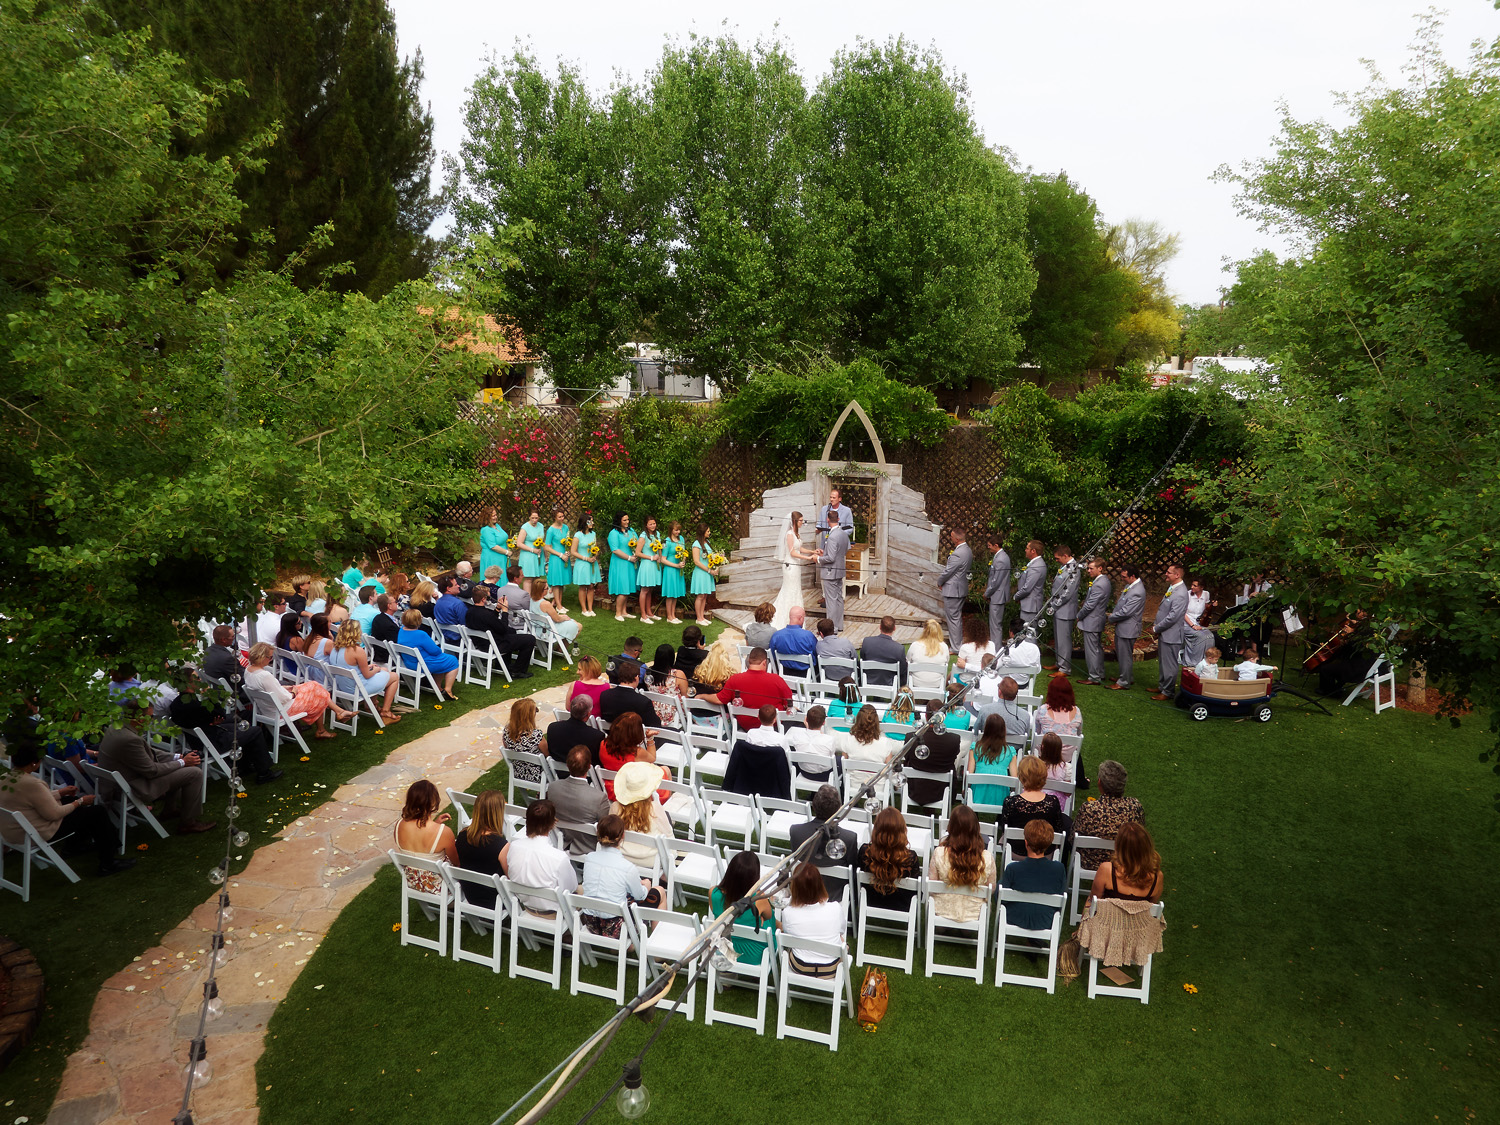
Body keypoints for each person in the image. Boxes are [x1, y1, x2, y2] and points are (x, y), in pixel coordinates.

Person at [1, 743, 135, 875]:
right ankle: (108, 863)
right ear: (33, 763)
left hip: (14, 830)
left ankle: (73, 846)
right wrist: (80, 801)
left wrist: (61, 793)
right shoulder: (33, 783)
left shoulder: (6, 778)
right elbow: (54, 814)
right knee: (97, 812)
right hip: (34, 831)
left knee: (70, 801)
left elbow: (32, 800)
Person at [96, 704, 218, 833]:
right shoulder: (129, 739)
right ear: (140, 718)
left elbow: (146, 752)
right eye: (151, 716)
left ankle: (169, 810)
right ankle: (188, 823)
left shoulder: (117, 728)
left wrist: (178, 757)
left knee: (178, 767)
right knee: (194, 773)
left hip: (122, 781)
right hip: (132, 787)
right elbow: (152, 771)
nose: (152, 719)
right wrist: (183, 762)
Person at [169, 668, 282, 784]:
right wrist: (209, 694)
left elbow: (205, 719)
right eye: (197, 678)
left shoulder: (175, 704)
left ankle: (243, 766)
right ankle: (264, 773)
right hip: (215, 741)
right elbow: (220, 713)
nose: (200, 680)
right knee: (255, 731)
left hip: (198, 741)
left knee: (239, 724)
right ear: (188, 683)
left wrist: (209, 721)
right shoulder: (196, 705)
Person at [245, 642, 353, 739]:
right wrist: (293, 693)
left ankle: (337, 714)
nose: (270, 660)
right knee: (317, 693)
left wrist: (283, 688)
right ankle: (326, 725)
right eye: (270, 658)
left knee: (315, 686)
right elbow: (284, 698)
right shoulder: (264, 675)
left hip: (268, 708)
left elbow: (268, 690)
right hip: (281, 709)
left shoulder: (248, 671)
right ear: (261, 657)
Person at [580, 813, 664, 937]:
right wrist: (647, 886)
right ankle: (658, 942)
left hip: (590, 922)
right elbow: (639, 896)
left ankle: (626, 946)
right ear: (623, 836)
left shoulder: (589, 858)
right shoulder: (627, 868)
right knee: (659, 891)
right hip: (617, 927)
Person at [499, 799, 578, 914]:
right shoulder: (559, 858)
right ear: (552, 824)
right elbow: (571, 889)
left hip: (527, 907)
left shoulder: (514, 847)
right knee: (584, 892)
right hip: (554, 912)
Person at [1073, 759, 1145, 871]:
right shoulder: (1135, 807)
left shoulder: (1089, 809)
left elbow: (1073, 837)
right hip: (1125, 863)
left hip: (1090, 863)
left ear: (1099, 783)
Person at [787, 784, 857, 898]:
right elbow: (852, 871)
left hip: (804, 891)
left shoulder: (796, 831)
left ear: (813, 806)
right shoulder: (849, 838)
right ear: (838, 809)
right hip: (834, 895)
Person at [928, 805, 996, 922]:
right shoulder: (987, 858)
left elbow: (932, 886)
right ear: (976, 828)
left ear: (951, 827)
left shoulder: (939, 853)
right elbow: (991, 889)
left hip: (941, 912)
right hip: (975, 915)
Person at [779, 862, 846, 977]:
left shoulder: (788, 913)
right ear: (820, 884)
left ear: (795, 886)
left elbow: (788, 935)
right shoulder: (835, 908)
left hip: (800, 966)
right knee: (841, 939)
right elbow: (841, 931)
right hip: (831, 968)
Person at [327, 619, 401, 722]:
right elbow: (367, 675)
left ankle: (371, 705)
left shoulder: (334, 649)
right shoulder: (357, 650)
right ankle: (385, 711)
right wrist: (376, 669)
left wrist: (373, 668)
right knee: (394, 677)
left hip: (342, 686)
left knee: (383, 670)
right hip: (358, 687)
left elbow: (351, 667)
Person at [711, 851, 777, 964]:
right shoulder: (758, 899)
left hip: (724, 948)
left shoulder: (713, 893)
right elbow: (768, 916)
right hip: (754, 953)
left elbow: (715, 912)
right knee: (769, 917)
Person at [1001, 819, 1067, 933]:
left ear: (1026, 843)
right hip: (1046, 919)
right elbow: (1060, 895)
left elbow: (1001, 897)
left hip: (1015, 917)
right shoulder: (1059, 869)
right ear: (1048, 844)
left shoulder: (1013, 868)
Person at [609, 760, 674, 871]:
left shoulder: (615, 807)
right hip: (652, 860)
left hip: (623, 857)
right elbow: (668, 836)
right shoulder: (655, 808)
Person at [1084, 821, 1163, 909]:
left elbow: (1093, 901)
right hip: (1138, 923)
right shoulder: (1157, 877)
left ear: (1119, 846)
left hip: (1107, 922)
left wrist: (1084, 918)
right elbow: (1150, 909)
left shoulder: (1106, 870)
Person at [464, 585, 538, 680]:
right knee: (530, 639)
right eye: (488, 597)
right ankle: (517, 671)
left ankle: (503, 664)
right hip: (494, 645)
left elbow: (490, 622)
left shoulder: (470, 612)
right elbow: (503, 629)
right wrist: (505, 611)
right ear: (483, 599)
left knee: (512, 631)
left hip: (480, 643)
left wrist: (497, 609)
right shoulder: (485, 614)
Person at [857, 807, 922, 910]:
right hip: (901, 905)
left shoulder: (865, 852)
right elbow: (917, 892)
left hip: (870, 901)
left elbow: (857, 883)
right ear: (902, 830)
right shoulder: (910, 857)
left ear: (877, 829)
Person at [724, 705, 793, 799]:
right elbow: (786, 762)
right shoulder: (780, 739)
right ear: (775, 719)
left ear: (758, 717)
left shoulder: (751, 734)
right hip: (771, 779)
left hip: (750, 775)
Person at [711, 648, 793, 726]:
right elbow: (788, 703)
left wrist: (701, 696)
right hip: (772, 725)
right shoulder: (776, 680)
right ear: (764, 662)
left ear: (748, 661)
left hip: (745, 725)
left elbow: (719, 699)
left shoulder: (735, 679)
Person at [454, 789, 506, 908]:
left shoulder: (462, 836)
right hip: (496, 901)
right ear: (498, 813)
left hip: (471, 895)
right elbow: (510, 879)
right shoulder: (501, 846)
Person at [905, 700, 961, 809]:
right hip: (941, 790)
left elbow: (907, 759)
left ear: (926, 716)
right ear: (943, 717)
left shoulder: (911, 737)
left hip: (917, 789)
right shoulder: (953, 740)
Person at [396, 609, 459, 700]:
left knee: (442, 658)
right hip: (422, 664)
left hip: (409, 662)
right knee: (452, 660)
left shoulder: (401, 630)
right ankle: (448, 689)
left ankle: (438, 687)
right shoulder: (421, 634)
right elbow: (435, 651)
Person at [1001, 756, 1070, 837]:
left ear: (1021, 777)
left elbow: (1005, 829)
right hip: (1044, 846)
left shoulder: (1010, 802)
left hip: (1015, 847)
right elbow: (1058, 829)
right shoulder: (1053, 802)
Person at [1151, 562, 1189, 700]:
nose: (1166, 574)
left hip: (1171, 634)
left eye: (1169, 572)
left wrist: (1156, 627)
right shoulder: (1173, 588)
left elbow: (1173, 617)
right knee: (1163, 662)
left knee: (1170, 664)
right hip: (1165, 633)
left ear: (1177, 575)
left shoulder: (1180, 593)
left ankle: (1168, 692)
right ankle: (1162, 686)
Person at [1107, 564, 1146, 691]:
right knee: (1122, 654)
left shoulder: (1137, 591)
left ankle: (1124, 682)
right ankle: (1126, 677)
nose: (1122, 579)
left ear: (1132, 576)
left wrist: (1111, 618)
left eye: (1124, 577)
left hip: (1128, 628)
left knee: (1125, 655)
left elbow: (1126, 612)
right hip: (1123, 626)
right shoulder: (1129, 586)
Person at [1076, 558, 1113, 687]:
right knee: (1097, 648)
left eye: (1091, 568)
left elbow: (1090, 605)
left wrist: (1079, 615)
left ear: (1100, 568)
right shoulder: (1103, 581)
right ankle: (1100, 673)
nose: (1088, 571)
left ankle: (1094, 677)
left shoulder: (1099, 584)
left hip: (1093, 621)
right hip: (1096, 619)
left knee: (1092, 650)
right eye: (1088, 568)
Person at [968, 713, 1018, 806]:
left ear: (986, 729)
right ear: (1003, 731)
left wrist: (966, 789)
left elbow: (969, 773)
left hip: (977, 794)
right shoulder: (1010, 752)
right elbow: (1014, 779)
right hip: (1001, 796)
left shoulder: (975, 747)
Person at [1046, 544, 1081, 675]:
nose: (1056, 561)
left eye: (1057, 558)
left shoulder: (1074, 569)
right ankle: (1059, 663)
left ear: (1065, 556)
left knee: (1064, 640)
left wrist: (1054, 605)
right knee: (1058, 639)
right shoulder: (1065, 567)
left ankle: (1065, 668)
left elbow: (1067, 592)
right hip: (1059, 610)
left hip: (1065, 610)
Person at [938, 526, 973, 651]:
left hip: (953, 590)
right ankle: (957, 645)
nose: (951, 539)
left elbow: (948, 571)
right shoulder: (968, 550)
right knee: (956, 618)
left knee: (953, 619)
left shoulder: (958, 553)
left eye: (952, 537)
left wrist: (939, 581)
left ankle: (956, 647)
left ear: (957, 539)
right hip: (960, 587)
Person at [599, 660, 662, 729]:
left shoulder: (605, 695)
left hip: (612, 736)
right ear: (636, 678)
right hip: (634, 738)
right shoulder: (643, 702)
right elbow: (655, 725)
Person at [546, 696, 605, 767]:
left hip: (558, 773)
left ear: (571, 709)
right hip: (585, 776)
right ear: (589, 713)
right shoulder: (596, 736)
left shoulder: (553, 728)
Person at [502, 698, 548, 786]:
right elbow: (548, 754)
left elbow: (506, 747)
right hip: (538, 776)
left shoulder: (506, 731)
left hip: (518, 773)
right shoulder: (536, 735)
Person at [785, 705, 837, 783]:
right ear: (823, 722)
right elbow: (831, 755)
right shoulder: (829, 740)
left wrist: (808, 727)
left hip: (805, 771)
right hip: (824, 775)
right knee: (840, 761)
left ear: (806, 720)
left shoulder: (797, 737)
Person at [770, 605, 818, 678]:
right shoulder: (808, 636)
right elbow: (816, 652)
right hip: (805, 673)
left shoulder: (777, 635)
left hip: (784, 671)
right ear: (801, 618)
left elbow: (772, 654)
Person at [983, 532, 1013, 650]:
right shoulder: (1000, 557)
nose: (988, 548)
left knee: (995, 624)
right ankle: (995, 646)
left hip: (998, 595)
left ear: (996, 545)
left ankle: (996, 648)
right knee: (995, 623)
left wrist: (987, 593)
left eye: (990, 545)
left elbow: (996, 580)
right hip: (998, 594)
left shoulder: (1001, 559)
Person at [607, 512, 639, 621]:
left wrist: (636, 554)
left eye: (628, 520)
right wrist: (629, 558)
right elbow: (615, 550)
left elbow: (637, 543)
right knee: (623, 588)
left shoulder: (631, 531)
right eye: (624, 520)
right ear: (619, 520)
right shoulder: (614, 533)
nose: (627, 522)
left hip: (630, 563)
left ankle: (624, 611)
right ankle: (618, 613)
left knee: (628, 587)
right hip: (620, 563)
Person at [859, 615, 908, 687]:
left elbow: (863, 658)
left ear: (880, 627)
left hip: (869, 679)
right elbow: (902, 670)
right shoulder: (899, 648)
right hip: (889, 681)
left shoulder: (867, 642)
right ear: (894, 628)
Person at [530, 577, 581, 642]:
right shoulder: (545, 604)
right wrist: (564, 618)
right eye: (547, 588)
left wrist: (562, 617)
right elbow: (557, 619)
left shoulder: (532, 600)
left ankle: (560, 648)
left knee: (573, 622)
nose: (548, 590)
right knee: (579, 626)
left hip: (537, 629)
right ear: (541, 590)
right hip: (548, 631)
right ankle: (561, 649)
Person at [907, 618, 951, 696]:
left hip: (916, 682)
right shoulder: (944, 647)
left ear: (924, 631)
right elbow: (946, 662)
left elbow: (907, 661)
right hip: (937, 683)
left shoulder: (915, 645)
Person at [570, 512, 601, 617]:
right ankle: (584, 609)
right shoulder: (578, 535)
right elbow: (573, 551)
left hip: (592, 563)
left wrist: (594, 556)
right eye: (589, 521)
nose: (592, 522)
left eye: (592, 520)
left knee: (591, 585)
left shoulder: (593, 534)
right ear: (584, 522)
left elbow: (595, 547)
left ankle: (590, 608)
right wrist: (586, 558)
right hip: (582, 563)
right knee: (583, 586)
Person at [659, 519, 688, 624]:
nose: (678, 532)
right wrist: (676, 565)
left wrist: (683, 561)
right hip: (670, 569)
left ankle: (673, 615)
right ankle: (669, 616)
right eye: (676, 530)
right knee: (670, 593)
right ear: (671, 530)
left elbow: (684, 553)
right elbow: (663, 559)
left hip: (678, 569)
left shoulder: (681, 539)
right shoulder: (667, 541)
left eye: (679, 530)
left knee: (675, 593)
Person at [635, 515, 664, 625]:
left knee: (650, 589)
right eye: (650, 524)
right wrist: (651, 557)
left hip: (655, 565)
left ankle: (649, 612)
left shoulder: (657, 535)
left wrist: (660, 558)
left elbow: (659, 548)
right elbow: (638, 552)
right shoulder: (643, 536)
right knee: (645, 589)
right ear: (646, 525)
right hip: (647, 564)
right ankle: (643, 615)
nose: (653, 526)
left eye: (654, 523)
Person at [1183, 578, 1217, 667]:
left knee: (1210, 636)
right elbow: (1183, 613)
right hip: (1187, 623)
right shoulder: (1187, 595)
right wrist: (1192, 625)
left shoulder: (1206, 594)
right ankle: (1194, 662)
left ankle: (1208, 661)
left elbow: (1206, 607)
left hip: (1200, 623)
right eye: (1192, 585)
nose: (1192, 587)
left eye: (1195, 585)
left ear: (1201, 587)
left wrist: (1212, 605)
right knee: (1201, 636)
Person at [689, 524, 719, 627]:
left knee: (705, 595)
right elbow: (697, 561)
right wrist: (709, 570)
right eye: (707, 531)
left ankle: (702, 616)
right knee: (700, 595)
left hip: (708, 572)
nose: (709, 533)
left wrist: (716, 567)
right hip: (701, 572)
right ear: (702, 532)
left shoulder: (708, 543)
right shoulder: (696, 544)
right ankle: (699, 618)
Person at [1015, 539, 1047, 620]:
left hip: (1031, 607)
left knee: (1028, 631)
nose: (1025, 550)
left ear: (1033, 551)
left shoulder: (1036, 566)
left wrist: (1016, 596)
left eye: (1027, 548)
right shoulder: (1034, 563)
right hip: (1028, 605)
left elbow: (1027, 588)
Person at [815, 487, 854, 551]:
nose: (831, 499)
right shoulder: (824, 509)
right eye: (830, 497)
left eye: (834, 498)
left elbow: (850, 528)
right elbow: (819, 524)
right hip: (826, 544)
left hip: (840, 544)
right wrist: (818, 529)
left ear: (840, 499)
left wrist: (838, 535)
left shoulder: (847, 510)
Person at [433, 574, 468, 643]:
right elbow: (465, 624)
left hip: (445, 638)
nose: (458, 586)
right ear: (448, 588)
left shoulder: (438, 602)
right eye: (456, 585)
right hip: (460, 640)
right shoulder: (458, 604)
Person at [544, 507, 572, 592]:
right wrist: (560, 555)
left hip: (565, 556)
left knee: (562, 581)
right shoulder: (551, 530)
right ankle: (558, 604)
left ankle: (557, 603)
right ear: (555, 518)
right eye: (560, 517)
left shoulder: (566, 527)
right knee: (556, 582)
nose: (562, 518)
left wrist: (568, 551)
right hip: (556, 557)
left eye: (563, 516)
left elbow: (568, 541)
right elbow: (547, 547)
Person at [479, 507, 510, 581]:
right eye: (493, 516)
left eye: (496, 515)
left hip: (501, 556)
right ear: (487, 517)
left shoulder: (497, 526)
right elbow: (492, 546)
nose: (495, 517)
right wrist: (507, 552)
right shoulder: (486, 530)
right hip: (492, 557)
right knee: (494, 577)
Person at [368, 594, 401, 662]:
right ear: (389, 606)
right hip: (389, 657)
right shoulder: (390, 626)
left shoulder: (377, 618)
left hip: (379, 653)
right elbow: (397, 644)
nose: (397, 603)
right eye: (395, 602)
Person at [517, 507, 547, 581]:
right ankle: (528, 593)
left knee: (537, 578)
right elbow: (519, 543)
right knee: (529, 578)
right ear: (529, 517)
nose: (534, 520)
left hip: (539, 555)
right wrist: (532, 550)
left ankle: (536, 593)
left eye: (536, 518)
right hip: (528, 555)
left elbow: (544, 541)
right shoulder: (525, 527)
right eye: (532, 518)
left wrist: (546, 556)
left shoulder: (541, 526)